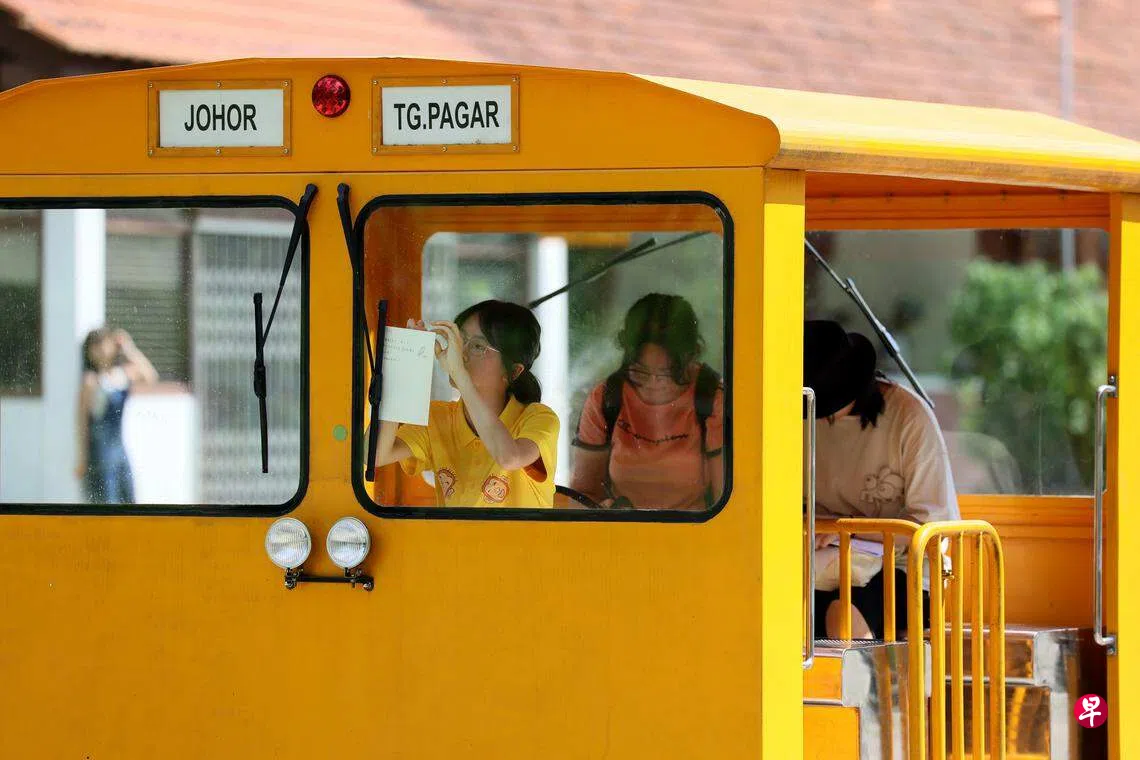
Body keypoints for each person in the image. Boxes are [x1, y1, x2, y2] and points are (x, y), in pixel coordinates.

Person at [805, 319, 960, 640]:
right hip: (820, 559)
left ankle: (862, 674)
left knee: (844, 615)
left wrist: (845, 530)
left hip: (905, 565)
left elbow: (930, 525)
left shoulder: (909, 417)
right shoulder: (802, 419)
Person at [373, 300, 559, 508]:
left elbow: (509, 457)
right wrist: (403, 367)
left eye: (478, 346)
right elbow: (376, 455)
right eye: (461, 340)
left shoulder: (539, 418)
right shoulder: (437, 417)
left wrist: (460, 374)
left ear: (513, 371)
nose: (460, 353)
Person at [570, 293, 724, 511]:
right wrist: (601, 510)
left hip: (695, 529)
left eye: (667, 373)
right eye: (640, 371)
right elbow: (583, 494)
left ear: (691, 358)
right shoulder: (606, 398)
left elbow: (726, 504)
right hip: (623, 528)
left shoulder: (712, 400)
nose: (653, 383)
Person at [75, 327, 159, 504]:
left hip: (120, 451)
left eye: (104, 343)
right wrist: (82, 457)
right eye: (94, 345)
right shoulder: (91, 381)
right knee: (107, 505)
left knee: (129, 502)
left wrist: (129, 348)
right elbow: (82, 422)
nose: (100, 349)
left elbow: (150, 376)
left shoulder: (122, 374)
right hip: (99, 454)